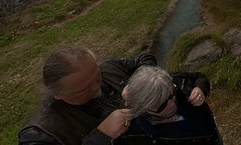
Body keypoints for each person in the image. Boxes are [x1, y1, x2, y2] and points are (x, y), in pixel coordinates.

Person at [18, 47, 156, 145]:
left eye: (97, 77)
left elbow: (143, 59)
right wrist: (101, 137)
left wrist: (139, 83)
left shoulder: (109, 69)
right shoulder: (41, 134)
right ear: (57, 94)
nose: (97, 89)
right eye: (84, 89)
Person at [121, 66, 221, 144]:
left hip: (212, 136)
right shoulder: (134, 128)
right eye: (161, 105)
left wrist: (200, 88)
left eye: (172, 94)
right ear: (143, 108)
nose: (172, 103)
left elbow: (198, 77)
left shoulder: (176, 81)